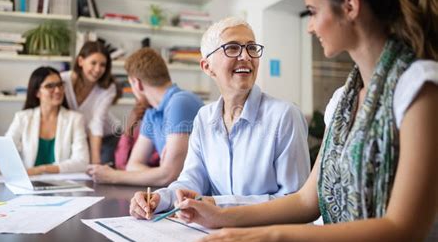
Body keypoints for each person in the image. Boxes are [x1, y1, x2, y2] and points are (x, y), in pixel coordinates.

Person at [174, 0, 438, 242]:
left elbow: (401, 233)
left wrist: (265, 236)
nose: (310, 27)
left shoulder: (420, 86)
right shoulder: (342, 101)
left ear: (350, 7)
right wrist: (221, 217)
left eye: (312, 11)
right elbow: (305, 201)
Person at [129, 17, 310, 219]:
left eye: (251, 48)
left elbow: (296, 202)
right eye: (232, 48)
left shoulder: (285, 116)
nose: (245, 56)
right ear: (207, 66)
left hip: (270, 240)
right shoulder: (204, 118)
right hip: (216, 236)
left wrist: (218, 204)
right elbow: (191, 180)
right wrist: (158, 199)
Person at [87, 48, 203, 186]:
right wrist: (160, 172)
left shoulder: (180, 102)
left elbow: (170, 175)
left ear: (137, 83)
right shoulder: (152, 112)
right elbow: (133, 165)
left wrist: (113, 176)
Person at [0, 66, 89, 175]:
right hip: (29, 184)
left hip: (64, 185)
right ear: (37, 92)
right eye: (50, 86)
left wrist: (42, 169)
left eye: (60, 85)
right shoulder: (22, 118)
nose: (58, 90)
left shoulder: (75, 119)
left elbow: (81, 162)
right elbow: (5, 152)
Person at [61, 41, 118, 165]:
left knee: (99, 172)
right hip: (78, 137)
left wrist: (96, 161)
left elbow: (97, 123)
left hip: (107, 137)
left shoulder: (108, 88)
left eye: (102, 65)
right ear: (81, 61)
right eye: (93, 63)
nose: (98, 69)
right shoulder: (63, 81)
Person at [114, 97, 159, 170]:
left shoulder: (165, 134)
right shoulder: (136, 133)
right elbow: (120, 165)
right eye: (138, 103)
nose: (140, 107)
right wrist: (129, 128)